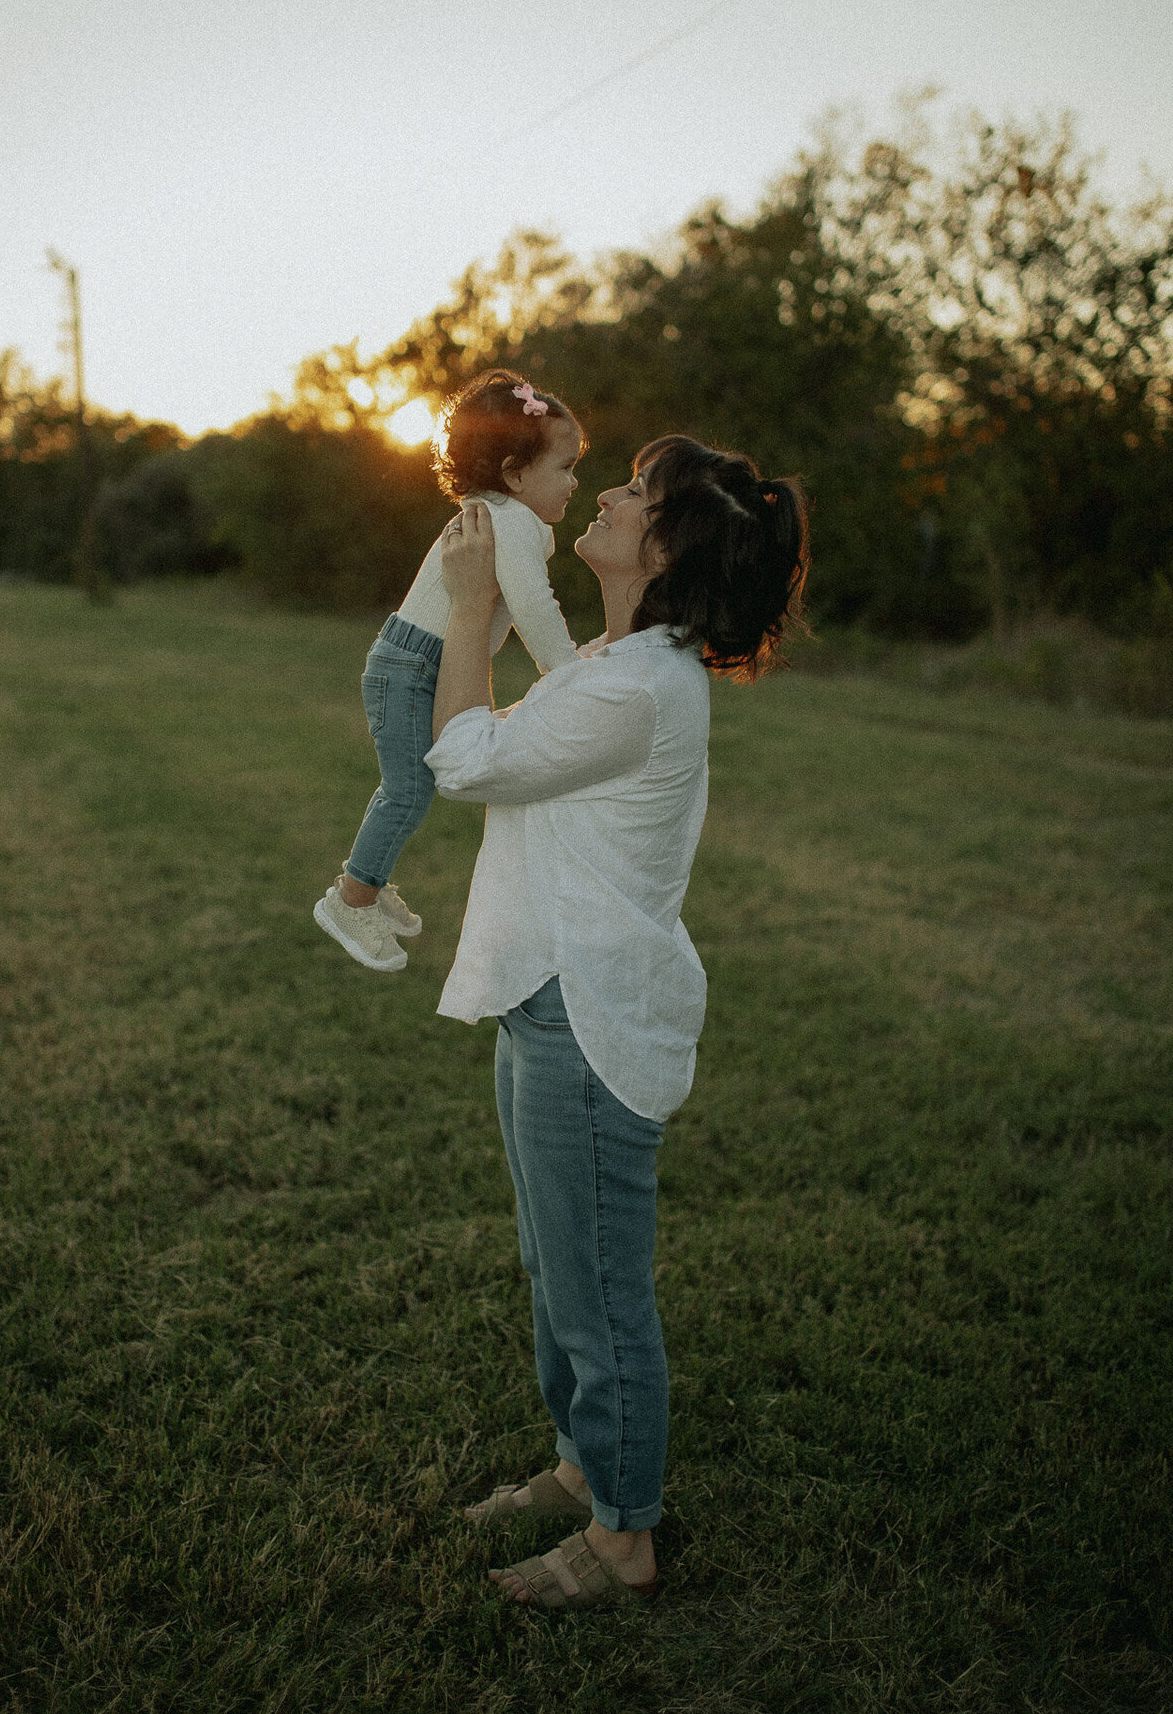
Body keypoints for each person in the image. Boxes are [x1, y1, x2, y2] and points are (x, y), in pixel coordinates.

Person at [423, 435, 810, 1611]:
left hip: (588, 1016)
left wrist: (469, 602)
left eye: (635, 490)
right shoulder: (619, 657)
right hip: (549, 991)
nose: (606, 492)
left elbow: (463, 760)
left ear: (669, 543)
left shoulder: (643, 684)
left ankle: (624, 1541)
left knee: (598, 1292)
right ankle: (583, 1465)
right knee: (558, 1270)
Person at [313, 369, 584, 972]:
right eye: (564, 467)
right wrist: (564, 671)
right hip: (412, 664)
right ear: (515, 473)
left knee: (413, 786)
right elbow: (534, 607)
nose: (575, 482)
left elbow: (514, 608)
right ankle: (351, 900)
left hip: (411, 658)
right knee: (409, 789)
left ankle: (370, 883)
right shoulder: (510, 521)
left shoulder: (503, 516)